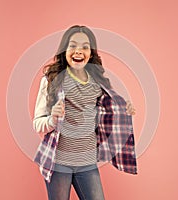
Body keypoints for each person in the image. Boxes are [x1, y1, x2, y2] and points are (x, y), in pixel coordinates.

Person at [33, 25, 137, 200]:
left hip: (87, 162)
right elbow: (38, 123)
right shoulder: (51, 80)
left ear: (91, 52)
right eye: (72, 45)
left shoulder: (98, 81)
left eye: (84, 47)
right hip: (58, 163)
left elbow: (105, 115)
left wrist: (123, 110)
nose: (78, 51)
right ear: (64, 50)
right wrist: (52, 118)